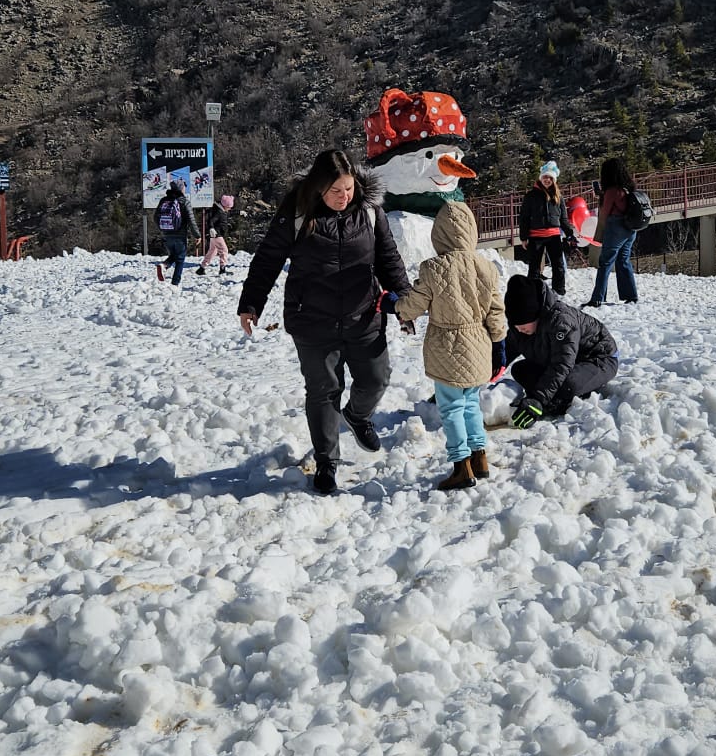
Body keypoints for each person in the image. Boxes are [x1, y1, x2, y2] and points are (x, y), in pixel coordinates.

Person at [237, 149, 410, 496]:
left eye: (348, 189)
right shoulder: (298, 213)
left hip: (365, 315)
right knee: (323, 392)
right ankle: (326, 462)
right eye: (335, 191)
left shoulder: (370, 213)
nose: (343, 197)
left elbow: (389, 260)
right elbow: (268, 258)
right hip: (313, 319)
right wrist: (252, 303)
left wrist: (406, 303)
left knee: (377, 378)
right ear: (318, 188)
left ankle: (358, 416)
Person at [396, 199, 507, 491]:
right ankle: (479, 457)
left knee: (451, 408)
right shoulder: (486, 267)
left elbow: (412, 306)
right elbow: (496, 312)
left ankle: (461, 466)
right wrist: (500, 344)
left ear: (439, 234)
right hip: (479, 345)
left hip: (447, 347)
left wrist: (394, 306)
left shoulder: (433, 268)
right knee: (471, 403)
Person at [503, 274, 618, 425]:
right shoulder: (519, 329)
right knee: (520, 369)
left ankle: (561, 400)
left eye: (523, 325)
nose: (519, 329)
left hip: (598, 359)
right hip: (564, 362)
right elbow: (503, 354)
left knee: (569, 384)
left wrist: (538, 400)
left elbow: (561, 365)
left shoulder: (561, 321)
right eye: (516, 326)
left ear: (536, 314)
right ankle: (556, 397)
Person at [585, 156, 639, 307]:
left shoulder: (611, 190)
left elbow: (605, 213)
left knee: (605, 262)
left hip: (616, 228)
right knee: (623, 260)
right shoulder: (628, 186)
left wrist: (601, 200)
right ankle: (631, 295)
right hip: (630, 228)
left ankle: (597, 298)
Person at [518, 160, 575, 295]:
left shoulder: (558, 196)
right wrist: (523, 237)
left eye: (550, 178)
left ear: (554, 180)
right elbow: (524, 218)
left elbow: (563, 218)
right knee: (535, 267)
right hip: (536, 236)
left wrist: (570, 234)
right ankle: (533, 292)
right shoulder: (531, 195)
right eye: (545, 177)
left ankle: (559, 291)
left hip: (554, 235)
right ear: (540, 178)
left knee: (558, 265)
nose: (547, 180)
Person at [154, 179, 200, 286]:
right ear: (181, 188)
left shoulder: (164, 200)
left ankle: (164, 265)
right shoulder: (184, 202)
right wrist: (197, 235)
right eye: (184, 186)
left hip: (166, 234)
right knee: (180, 259)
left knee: (175, 255)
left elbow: (155, 217)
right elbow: (191, 220)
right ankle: (175, 283)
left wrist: (163, 228)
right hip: (180, 235)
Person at [196, 193, 234, 276]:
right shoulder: (219, 212)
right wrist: (211, 228)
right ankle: (222, 269)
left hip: (215, 235)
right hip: (217, 234)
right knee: (224, 250)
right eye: (229, 207)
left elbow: (230, 213)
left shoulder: (222, 211)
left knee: (212, 252)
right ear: (225, 206)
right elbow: (210, 221)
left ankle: (202, 268)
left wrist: (239, 212)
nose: (230, 209)